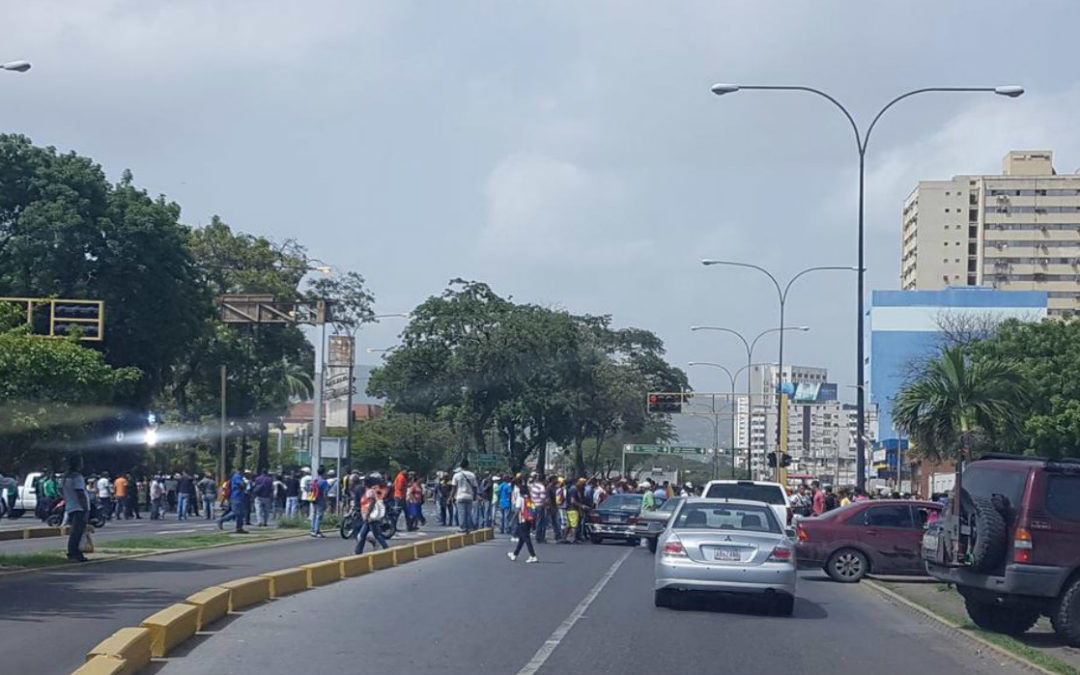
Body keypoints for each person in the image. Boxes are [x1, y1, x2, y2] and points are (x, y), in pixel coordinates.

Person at [61, 455, 89, 562]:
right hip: (79, 508)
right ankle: (74, 553)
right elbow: (80, 493)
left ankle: (73, 552)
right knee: (77, 532)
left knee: (75, 531)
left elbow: (61, 490)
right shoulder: (77, 477)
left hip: (70, 506)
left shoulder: (65, 477)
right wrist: (85, 508)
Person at [355, 475, 389, 554]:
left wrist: (367, 515)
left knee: (375, 535)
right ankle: (358, 551)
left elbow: (371, 503)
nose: (362, 483)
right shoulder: (368, 491)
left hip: (370, 517)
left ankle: (386, 548)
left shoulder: (370, 492)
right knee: (363, 535)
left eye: (363, 481)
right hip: (368, 517)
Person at [508, 476, 538, 563]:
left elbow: (517, 510)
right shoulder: (529, 498)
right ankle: (515, 554)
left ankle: (533, 555)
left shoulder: (520, 499)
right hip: (529, 520)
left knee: (526, 538)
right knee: (522, 538)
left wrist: (512, 521)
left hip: (522, 520)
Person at [451, 460, 478, 533]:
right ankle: (469, 527)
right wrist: (475, 496)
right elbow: (475, 487)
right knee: (468, 512)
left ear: (460, 466)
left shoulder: (456, 475)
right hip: (469, 496)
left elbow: (454, 488)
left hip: (460, 496)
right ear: (467, 465)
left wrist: (451, 497)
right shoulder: (472, 475)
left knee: (461, 512)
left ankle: (463, 528)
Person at [310, 466, 329, 537]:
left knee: (314, 514)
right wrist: (326, 501)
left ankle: (312, 529)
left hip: (314, 498)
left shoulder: (315, 480)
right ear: (324, 473)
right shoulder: (324, 482)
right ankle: (317, 531)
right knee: (319, 515)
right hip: (320, 499)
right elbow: (325, 493)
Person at [529, 473, 548, 543]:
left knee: (536, 520)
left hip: (533, 505)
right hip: (540, 505)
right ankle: (540, 536)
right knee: (541, 521)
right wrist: (546, 505)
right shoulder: (542, 487)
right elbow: (543, 498)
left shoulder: (534, 486)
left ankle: (538, 536)